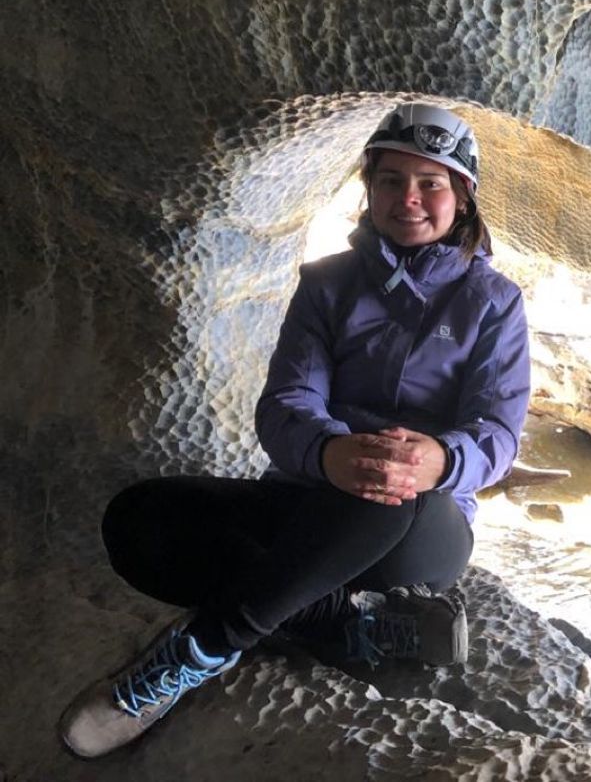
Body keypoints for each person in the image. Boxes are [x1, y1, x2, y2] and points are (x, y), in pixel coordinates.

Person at [60, 103, 531, 759]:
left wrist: (438, 460)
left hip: (421, 527)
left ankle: (193, 655)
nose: (410, 198)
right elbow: (286, 404)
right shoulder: (327, 284)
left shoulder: (495, 304)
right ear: (369, 186)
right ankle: (349, 628)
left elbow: (498, 434)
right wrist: (329, 452)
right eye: (392, 180)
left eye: (432, 182)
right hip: (313, 493)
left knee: (382, 492)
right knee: (137, 519)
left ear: (463, 194)